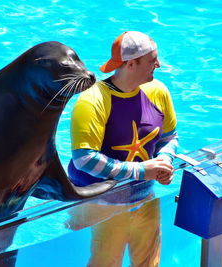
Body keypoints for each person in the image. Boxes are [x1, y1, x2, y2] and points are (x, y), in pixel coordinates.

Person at [67, 31, 178, 266]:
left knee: (150, 262)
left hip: (143, 195)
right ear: (131, 64)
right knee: (106, 262)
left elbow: (170, 137)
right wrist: (141, 171)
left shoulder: (157, 91)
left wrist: (164, 162)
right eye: (152, 60)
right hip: (100, 202)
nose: (158, 65)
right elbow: (84, 160)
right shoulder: (92, 100)